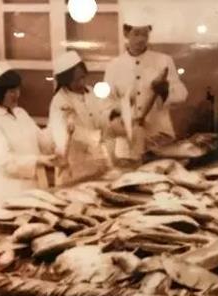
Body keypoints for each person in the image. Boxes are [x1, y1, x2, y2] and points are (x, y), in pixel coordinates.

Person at [103, 11, 188, 164]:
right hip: (127, 141)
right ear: (126, 33)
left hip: (160, 137)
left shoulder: (164, 61)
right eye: (136, 33)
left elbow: (182, 94)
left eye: (145, 34)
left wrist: (165, 91)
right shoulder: (113, 66)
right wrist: (121, 115)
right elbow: (106, 103)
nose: (141, 39)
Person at [0, 62, 55, 205]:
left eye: (18, 89)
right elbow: (5, 163)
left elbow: (42, 141)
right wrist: (38, 160)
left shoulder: (20, 113)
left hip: (35, 189)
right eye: (11, 91)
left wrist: (61, 126)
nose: (17, 94)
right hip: (10, 193)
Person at [47, 51, 111, 185]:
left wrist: (111, 119)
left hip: (98, 160)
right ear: (65, 81)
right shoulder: (60, 101)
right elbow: (65, 132)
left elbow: (101, 118)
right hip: (74, 164)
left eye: (82, 77)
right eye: (76, 80)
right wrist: (95, 138)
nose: (81, 82)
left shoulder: (91, 92)